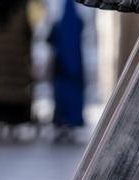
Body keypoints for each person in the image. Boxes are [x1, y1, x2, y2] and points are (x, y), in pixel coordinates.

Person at [0, 0, 37, 140]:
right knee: (15, 92)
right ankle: (13, 128)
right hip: (17, 62)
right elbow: (28, 37)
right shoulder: (21, 11)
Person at [47, 0, 86, 142]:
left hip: (64, 64)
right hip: (72, 64)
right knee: (69, 95)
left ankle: (64, 122)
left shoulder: (60, 8)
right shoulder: (75, 9)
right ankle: (69, 122)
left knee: (64, 94)